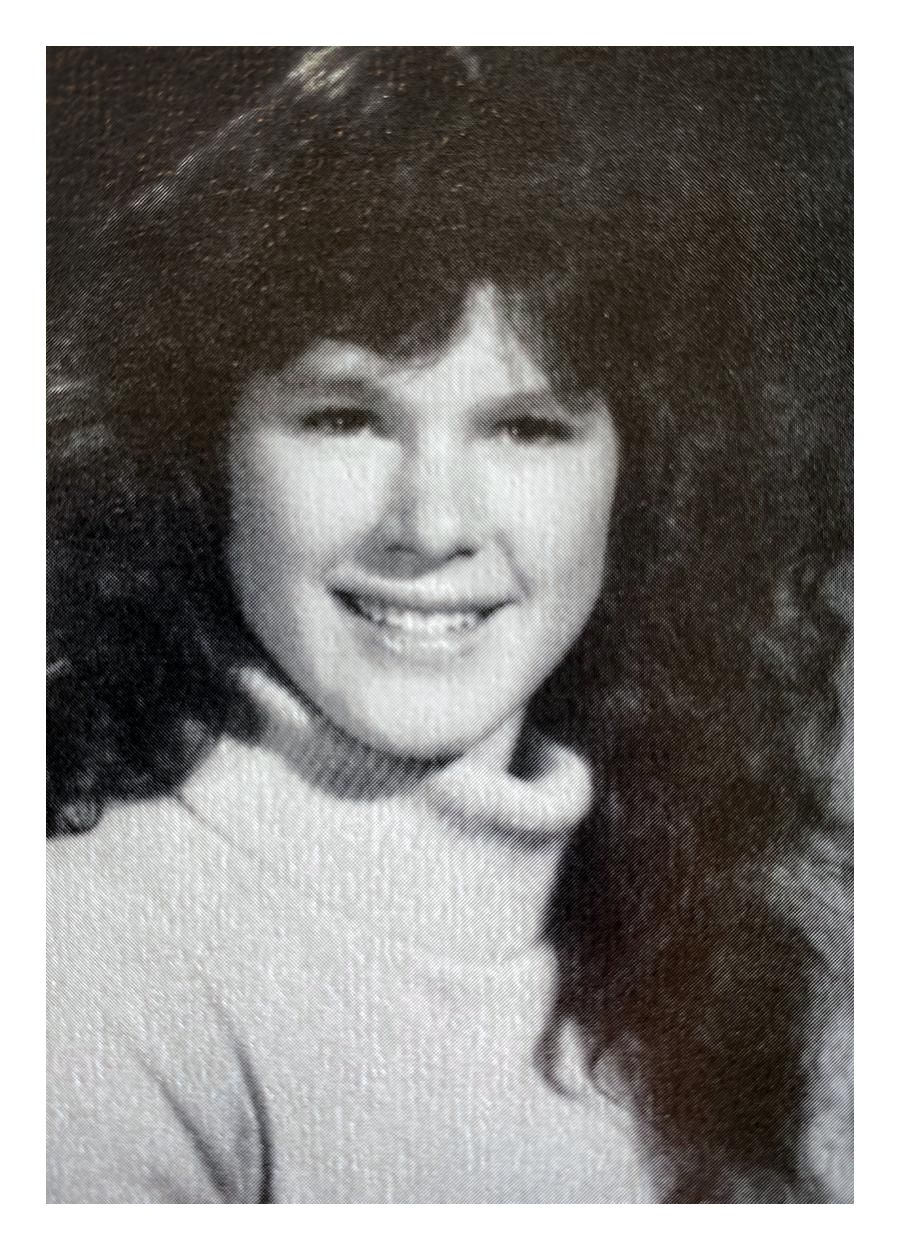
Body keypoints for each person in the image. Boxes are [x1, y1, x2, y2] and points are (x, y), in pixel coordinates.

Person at [47, 47, 852, 1203]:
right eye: (344, 417)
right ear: (204, 462)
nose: (432, 525)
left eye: (526, 429)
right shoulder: (83, 965)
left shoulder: (721, 944)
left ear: (637, 481)